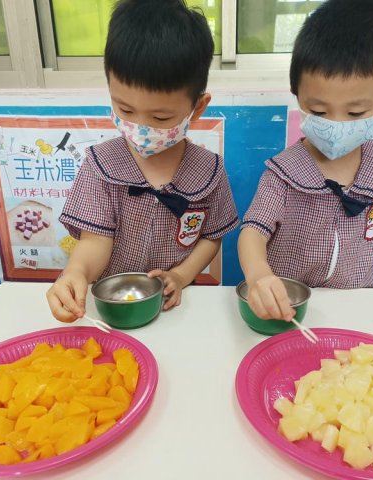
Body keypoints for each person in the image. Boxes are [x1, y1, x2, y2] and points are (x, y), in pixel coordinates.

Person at [47, 0, 239, 322]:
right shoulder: (101, 165)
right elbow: (95, 241)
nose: (141, 128)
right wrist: (76, 272)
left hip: (176, 306)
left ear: (198, 108)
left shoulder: (209, 171)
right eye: (125, 109)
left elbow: (211, 235)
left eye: (161, 117)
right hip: (111, 307)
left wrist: (181, 275)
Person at [238, 0, 373, 322]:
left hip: (358, 304)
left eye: (355, 113)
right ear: (296, 92)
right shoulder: (283, 173)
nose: (335, 124)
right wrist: (259, 276)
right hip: (292, 309)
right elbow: (252, 232)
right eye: (317, 110)